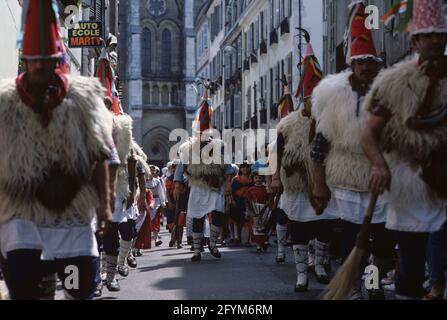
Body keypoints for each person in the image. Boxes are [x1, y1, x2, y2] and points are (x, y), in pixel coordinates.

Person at [0, 0, 113, 300]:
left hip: (71, 217)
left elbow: (99, 154)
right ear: (24, 57)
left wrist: (105, 204)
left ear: (56, 58)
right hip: (23, 217)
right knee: (26, 288)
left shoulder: (82, 100)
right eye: (32, 58)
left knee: (79, 288)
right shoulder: (4, 103)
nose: (38, 65)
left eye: (45, 59)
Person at [361, 0, 447, 300]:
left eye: (440, 33)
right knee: (410, 267)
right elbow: (369, 131)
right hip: (411, 182)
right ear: (415, 41)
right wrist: (378, 165)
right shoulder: (395, 82)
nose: (436, 39)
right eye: (428, 34)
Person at [310, 1, 393, 299]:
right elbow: (318, 146)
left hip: (381, 177)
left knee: (382, 241)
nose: (365, 67)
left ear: (376, 63)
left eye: (370, 62)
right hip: (345, 178)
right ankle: (357, 286)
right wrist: (319, 183)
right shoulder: (332, 95)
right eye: (360, 62)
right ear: (351, 63)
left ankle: (373, 279)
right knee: (350, 238)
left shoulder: (390, 91)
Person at [270, 41, 336, 292]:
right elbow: (275, 152)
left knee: (324, 227)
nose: (315, 104)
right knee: (299, 229)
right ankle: (301, 275)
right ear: (304, 99)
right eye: (311, 100)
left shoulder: (330, 120)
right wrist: (274, 177)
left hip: (324, 184)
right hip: (296, 186)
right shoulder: (287, 125)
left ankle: (319, 266)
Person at [174, 82, 233, 262]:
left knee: (217, 215)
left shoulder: (218, 146)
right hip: (198, 187)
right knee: (198, 217)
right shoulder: (188, 148)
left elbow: (228, 166)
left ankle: (213, 244)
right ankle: (197, 251)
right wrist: (177, 185)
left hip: (215, 187)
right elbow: (181, 167)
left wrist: (228, 183)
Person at [231, 162, 253, 245]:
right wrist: (232, 200)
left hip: (249, 201)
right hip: (238, 201)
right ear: (240, 169)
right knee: (238, 220)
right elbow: (233, 191)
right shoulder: (236, 179)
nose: (245, 169)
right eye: (243, 167)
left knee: (247, 220)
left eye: (247, 167)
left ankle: (247, 239)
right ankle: (238, 238)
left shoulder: (252, 178)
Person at [146, 165, 167, 246]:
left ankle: (156, 239)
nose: (152, 172)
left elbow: (161, 192)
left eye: (153, 170)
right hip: (146, 202)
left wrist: (163, 202)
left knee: (155, 221)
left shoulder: (157, 181)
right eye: (150, 170)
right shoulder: (143, 181)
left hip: (156, 203)